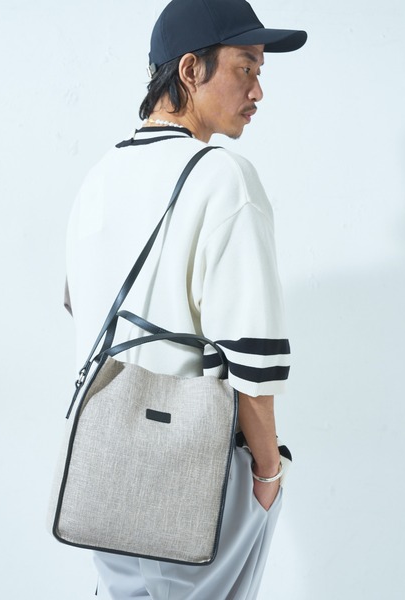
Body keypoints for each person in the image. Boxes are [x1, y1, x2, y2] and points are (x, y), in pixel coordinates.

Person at [64, 0, 306, 597]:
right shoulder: (223, 177)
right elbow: (252, 358)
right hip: (195, 471)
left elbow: (81, 308)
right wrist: (268, 472)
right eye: (245, 67)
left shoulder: (97, 178)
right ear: (191, 69)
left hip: (102, 471)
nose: (258, 91)